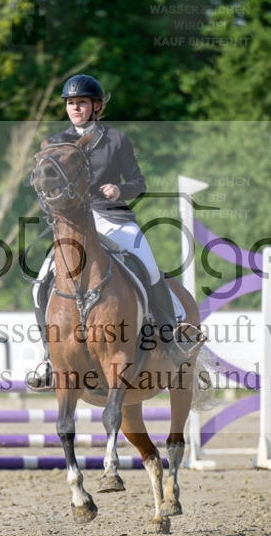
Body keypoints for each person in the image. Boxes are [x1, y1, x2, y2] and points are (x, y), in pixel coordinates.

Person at [27, 74, 192, 391]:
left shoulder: (115, 139)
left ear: (96, 106)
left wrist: (120, 189)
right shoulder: (56, 142)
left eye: (82, 102)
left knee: (150, 266)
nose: (75, 108)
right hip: (75, 224)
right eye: (71, 103)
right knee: (40, 282)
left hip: (112, 218)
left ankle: (171, 337)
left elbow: (139, 183)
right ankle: (48, 357)